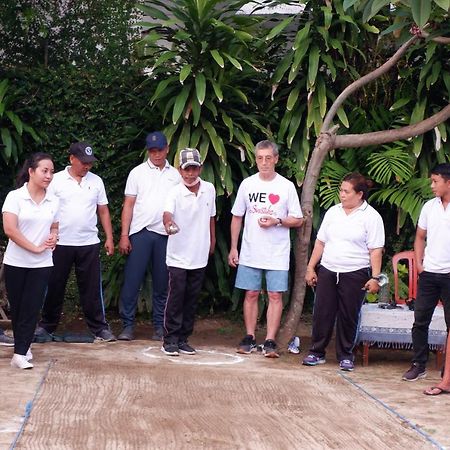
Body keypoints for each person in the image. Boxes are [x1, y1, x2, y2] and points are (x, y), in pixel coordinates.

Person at [228, 140, 303, 358]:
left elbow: (298, 219)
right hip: (250, 250)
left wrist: (277, 220)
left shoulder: (286, 186)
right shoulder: (248, 184)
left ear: (276, 159)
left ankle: (270, 340)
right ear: (255, 159)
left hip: (277, 252)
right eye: (260, 158)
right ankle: (250, 336)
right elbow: (237, 217)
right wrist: (234, 247)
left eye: (268, 158)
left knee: (274, 295)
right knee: (250, 293)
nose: (264, 162)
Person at [303, 172, 385, 371]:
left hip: (355, 272)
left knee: (349, 315)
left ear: (360, 195)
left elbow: (375, 250)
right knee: (322, 312)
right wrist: (311, 267)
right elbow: (321, 242)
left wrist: (375, 277)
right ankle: (316, 352)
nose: (342, 194)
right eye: (341, 190)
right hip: (329, 269)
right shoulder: (333, 212)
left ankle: (346, 355)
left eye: (346, 191)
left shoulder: (371, 217)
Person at [35, 142, 116, 342]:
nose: (86, 166)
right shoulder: (56, 181)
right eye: (83, 162)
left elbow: (103, 210)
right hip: (59, 243)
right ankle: (46, 326)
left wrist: (109, 237)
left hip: (88, 242)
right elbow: (45, 207)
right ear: (72, 159)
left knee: (91, 288)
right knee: (54, 285)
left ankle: (99, 328)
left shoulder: (96, 181)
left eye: (90, 162)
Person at [118, 131, 181, 341]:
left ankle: (159, 326)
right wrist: (124, 235)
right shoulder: (137, 173)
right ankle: (127, 325)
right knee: (132, 281)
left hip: (165, 235)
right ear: (148, 151)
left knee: (163, 283)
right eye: (152, 150)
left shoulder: (176, 175)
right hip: (141, 232)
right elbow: (128, 204)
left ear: (167, 148)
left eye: (160, 150)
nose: (156, 154)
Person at [2, 153, 59, 369]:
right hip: (16, 262)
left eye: (52, 172)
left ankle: (19, 354)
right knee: (17, 308)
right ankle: (23, 347)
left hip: (42, 263)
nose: (49, 175)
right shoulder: (15, 197)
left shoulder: (54, 200)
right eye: (45, 171)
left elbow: (54, 225)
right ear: (31, 172)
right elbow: (10, 229)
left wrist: (55, 236)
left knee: (32, 307)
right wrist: (34, 247)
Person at [161, 148, 216, 356]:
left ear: (200, 168)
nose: (190, 174)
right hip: (177, 255)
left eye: (193, 169)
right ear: (179, 170)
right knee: (176, 297)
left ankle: (184, 338)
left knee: (192, 298)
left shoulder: (209, 189)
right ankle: (170, 340)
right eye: (186, 170)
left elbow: (211, 216)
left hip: (199, 254)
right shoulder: (174, 191)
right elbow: (167, 214)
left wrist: (212, 241)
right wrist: (169, 224)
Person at [403, 163, 450, 381]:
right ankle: (418, 364)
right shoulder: (429, 207)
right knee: (420, 321)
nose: (431, 186)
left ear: (448, 182)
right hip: (430, 273)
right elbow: (420, 236)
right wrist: (420, 264)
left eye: (435, 181)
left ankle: (447, 372)